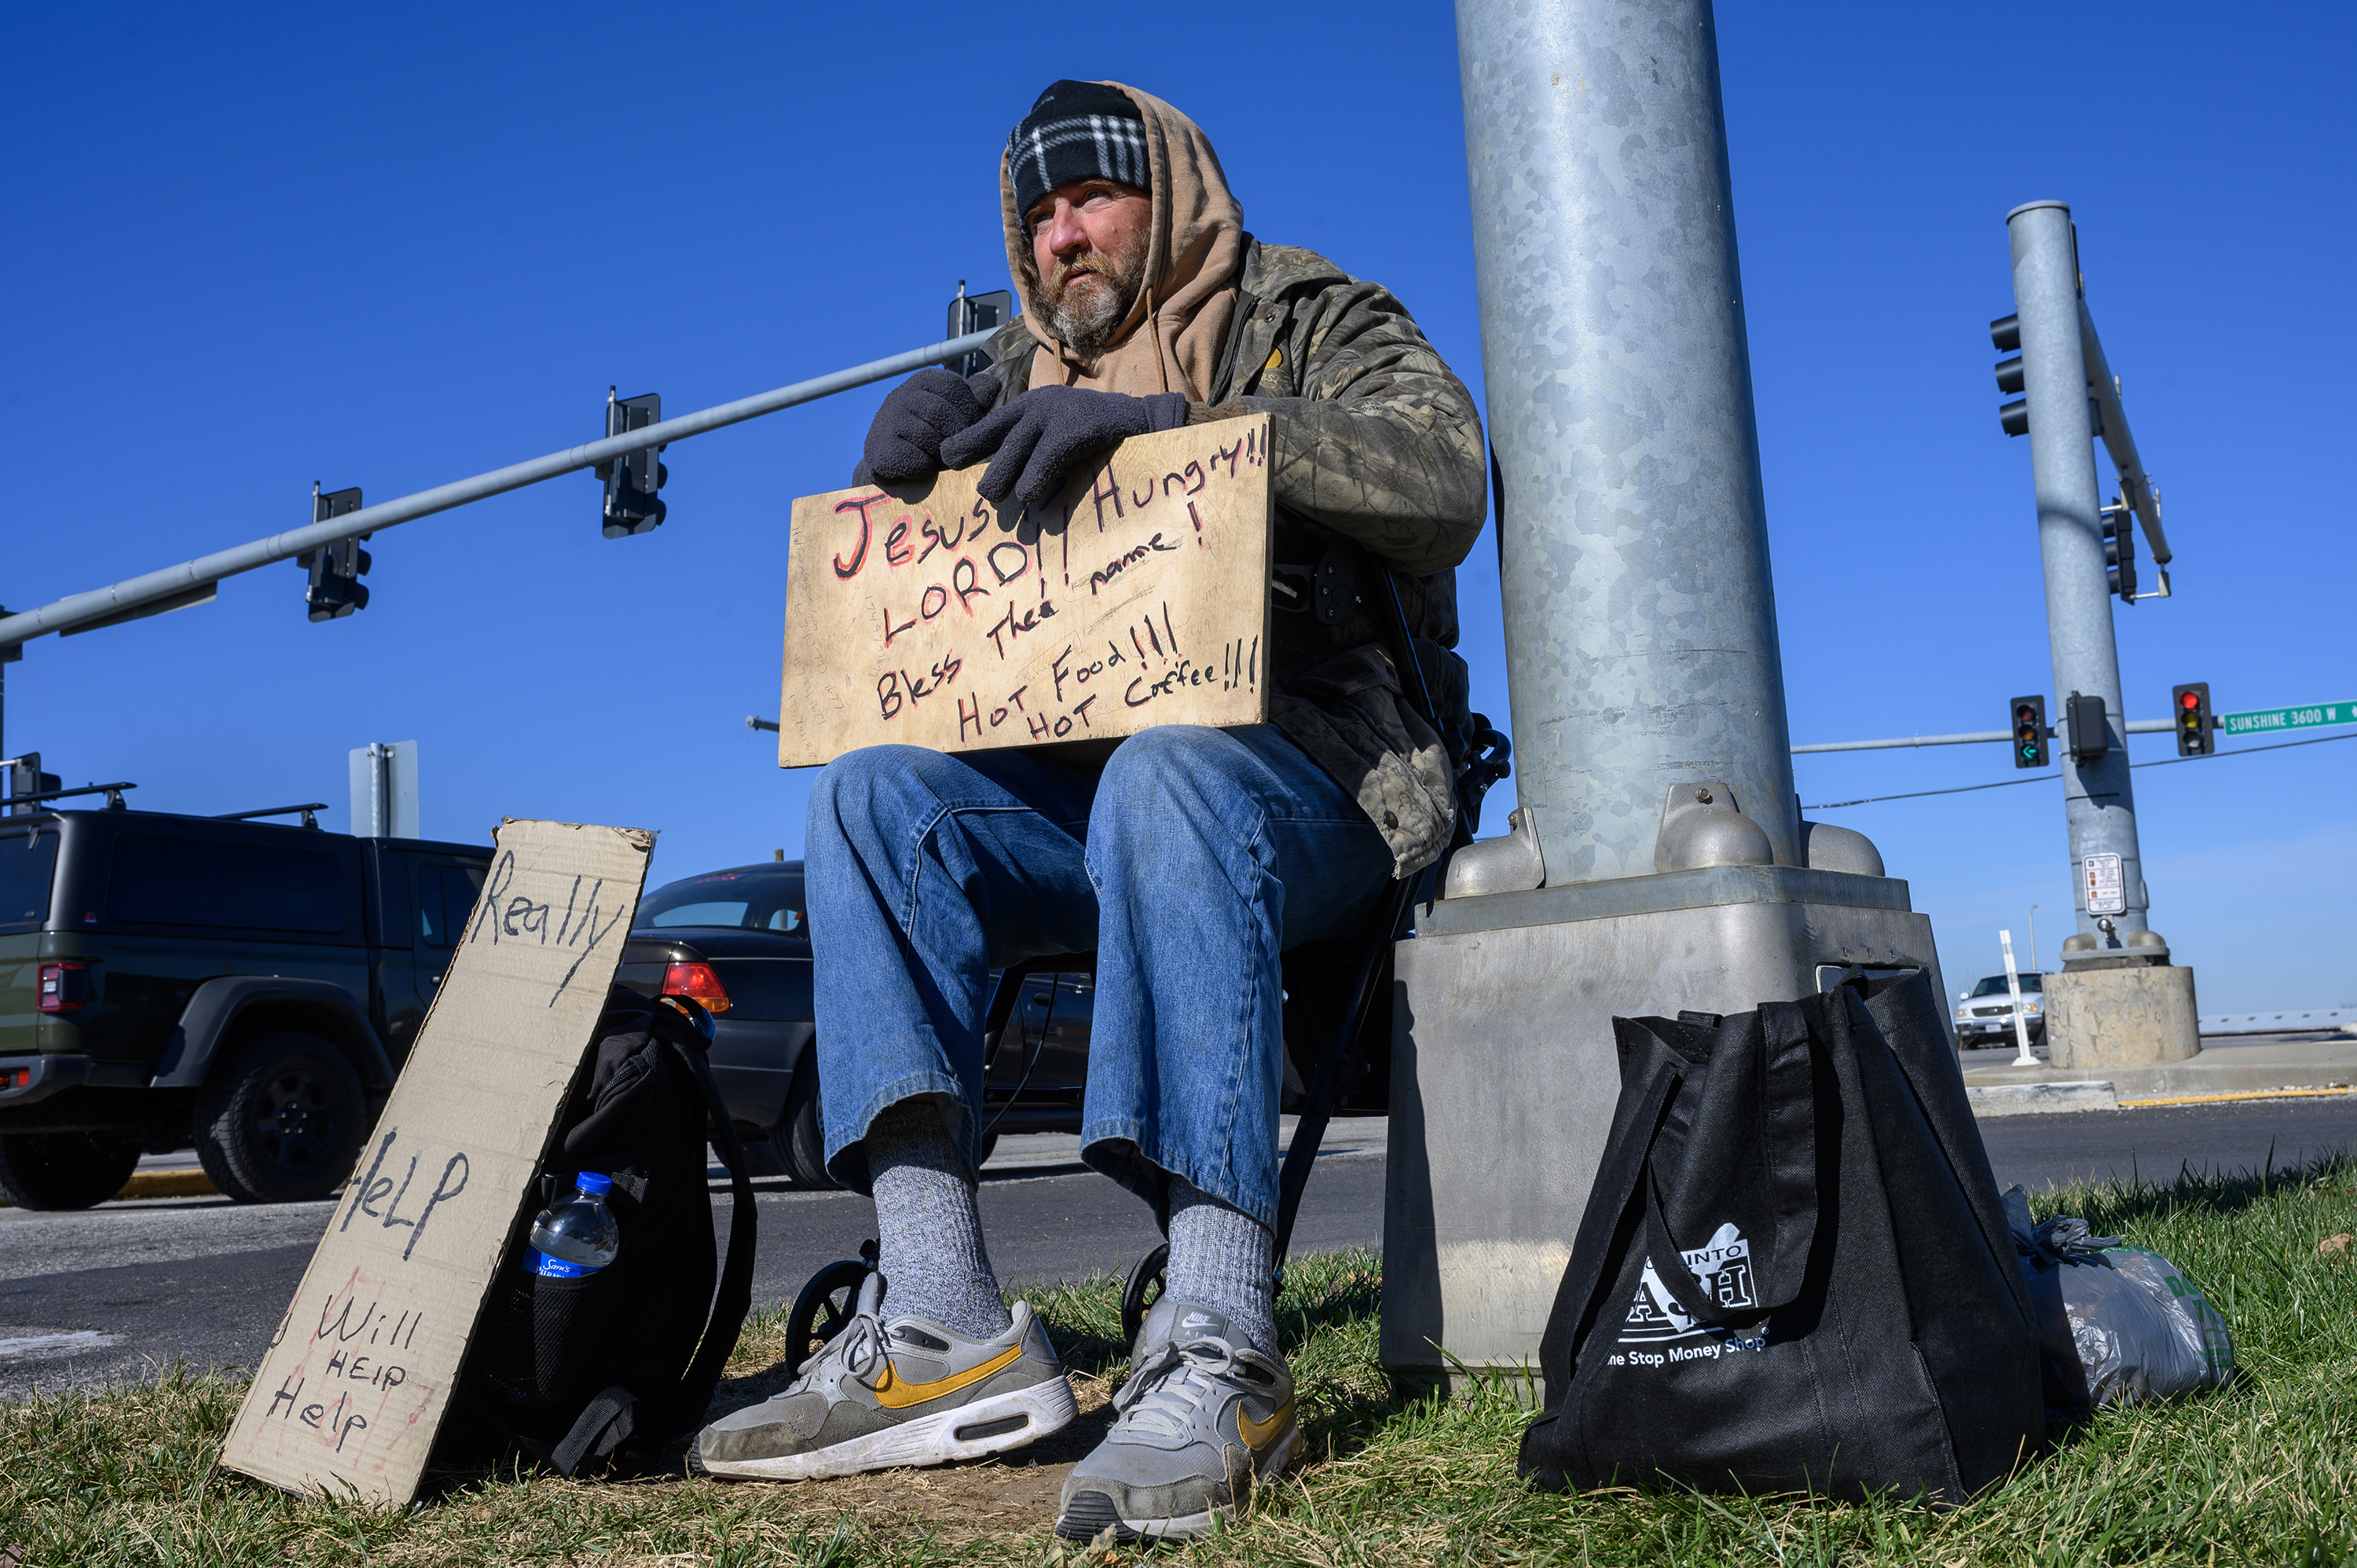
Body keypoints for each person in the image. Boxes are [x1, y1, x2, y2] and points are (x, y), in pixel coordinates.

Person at [696, 79, 1485, 1543]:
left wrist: (1187, 425)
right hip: (1086, 796)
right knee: (878, 796)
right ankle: (939, 1321)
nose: (1065, 235)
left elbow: (1448, 475)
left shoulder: (1307, 314)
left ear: (1170, 192)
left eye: (1093, 197)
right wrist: (923, 456)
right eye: (1038, 212)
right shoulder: (1011, 365)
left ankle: (1219, 1343)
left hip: (1317, 780)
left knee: (1168, 773)